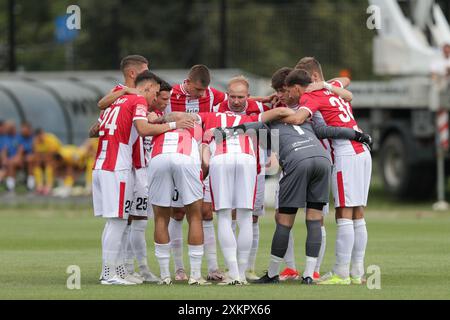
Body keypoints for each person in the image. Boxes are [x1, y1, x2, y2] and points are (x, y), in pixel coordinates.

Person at [282, 60, 372, 285]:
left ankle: (341, 273)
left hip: (345, 153)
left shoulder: (312, 95)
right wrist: (326, 84)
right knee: (358, 214)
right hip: (363, 152)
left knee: (344, 214)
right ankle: (357, 272)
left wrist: (272, 116)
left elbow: (298, 118)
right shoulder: (332, 88)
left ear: (311, 77)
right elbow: (347, 85)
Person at [93, 71, 177, 285]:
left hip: (103, 163)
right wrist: (173, 125)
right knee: (118, 222)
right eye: (156, 92)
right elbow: (143, 129)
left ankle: (117, 271)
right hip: (117, 165)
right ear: (147, 87)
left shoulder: (118, 99)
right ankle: (109, 274)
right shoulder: (137, 99)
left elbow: (99, 117)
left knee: (115, 222)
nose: (154, 98)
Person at [270, 67, 353, 281]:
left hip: (316, 158)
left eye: (283, 90)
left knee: (315, 219)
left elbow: (344, 81)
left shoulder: (309, 103)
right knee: (281, 215)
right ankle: (290, 269)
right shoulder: (277, 105)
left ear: (293, 89)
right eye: (278, 91)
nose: (281, 95)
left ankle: (313, 270)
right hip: (295, 163)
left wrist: (325, 85)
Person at [166, 64, 227, 282]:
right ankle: (180, 269)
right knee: (178, 213)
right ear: (188, 82)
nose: (202, 94)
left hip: (203, 159)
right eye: (198, 91)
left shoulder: (213, 95)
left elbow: (240, 100)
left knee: (207, 212)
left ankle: (212, 268)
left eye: (204, 91)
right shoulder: (171, 93)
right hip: (177, 157)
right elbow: (153, 113)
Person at [213, 76, 270, 281]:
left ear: (248, 96)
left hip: (254, 163)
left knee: (248, 215)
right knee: (231, 215)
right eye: (232, 96)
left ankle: (244, 270)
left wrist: (268, 154)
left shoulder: (257, 107)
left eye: (241, 97)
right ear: (227, 94)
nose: (236, 101)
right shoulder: (217, 107)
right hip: (238, 159)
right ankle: (235, 270)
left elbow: (265, 135)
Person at [33, 128, 62, 195]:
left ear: (42, 133)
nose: (39, 138)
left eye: (40, 135)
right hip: (45, 160)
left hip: (58, 158)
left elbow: (53, 155)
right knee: (37, 167)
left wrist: (43, 158)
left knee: (49, 167)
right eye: (37, 137)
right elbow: (37, 155)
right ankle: (39, 186)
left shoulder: (51, 139)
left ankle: (49, 186)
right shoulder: (36, 142)